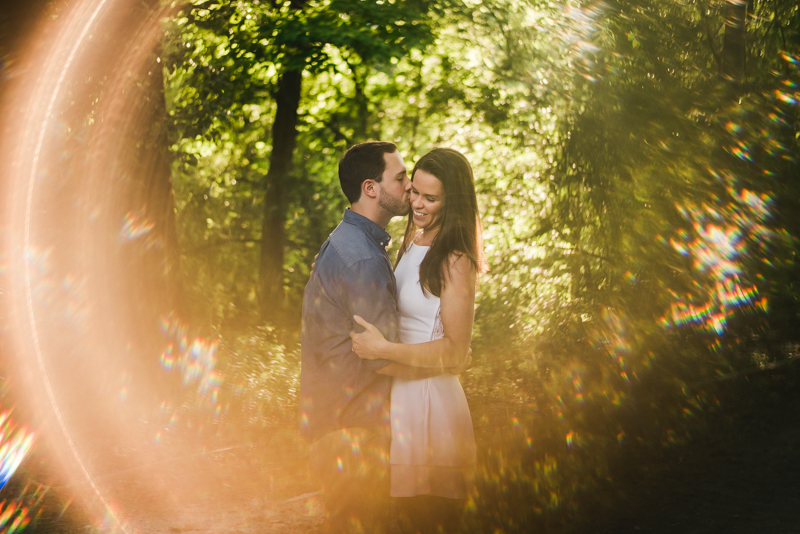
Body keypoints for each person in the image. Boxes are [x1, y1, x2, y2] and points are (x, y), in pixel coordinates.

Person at [299, 142, 466, 534]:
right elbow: (376, 357)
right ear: (371, 188)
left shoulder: (350, 243)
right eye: (402, 178)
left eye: (423, 190)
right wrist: (449, 360)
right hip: (354, 426)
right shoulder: (364, 258)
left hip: (342, 418)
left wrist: (450, 357)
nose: (409, 189)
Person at [350, 148, 485, 533]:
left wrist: (384, 351)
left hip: (432, 407)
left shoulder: (456, 258)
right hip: (401, 397)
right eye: (415, 192)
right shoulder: (414, 235)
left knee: (429, 521)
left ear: (452, 201)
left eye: (431, 198)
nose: (417, 203)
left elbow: (456, 352)